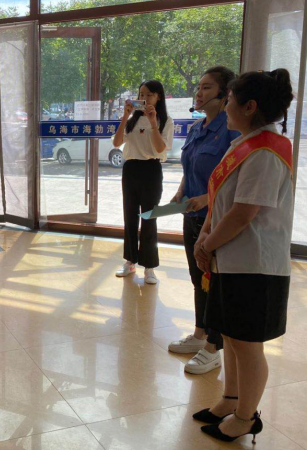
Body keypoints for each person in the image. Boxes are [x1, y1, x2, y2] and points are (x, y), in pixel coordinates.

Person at [193, 69, 294, 443]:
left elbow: (243, 212)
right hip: (232, 260)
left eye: (230, 100)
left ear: (249, 107)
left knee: (248, 346)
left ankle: (246, 417)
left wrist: (207, 244)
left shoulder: (266, 151)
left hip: (256, 266)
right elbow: (221, 200)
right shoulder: (245, 144)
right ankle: (230, 400)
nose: (226, 107)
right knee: (232, 337)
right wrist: (205, 236)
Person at [168, 66, 240, 375]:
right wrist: (180, 193)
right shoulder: (198, 127)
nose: (199, 93)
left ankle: (213, 346)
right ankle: (199, 333)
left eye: (207, 87)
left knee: (215, 283)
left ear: (225, 94)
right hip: (192, 216)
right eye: (199, 86)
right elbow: (190, 167)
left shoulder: (232, 130)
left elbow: (234, 178)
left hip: (216, 219)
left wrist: (207, 200)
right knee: (198, 278)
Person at [112, 80, 174, 285]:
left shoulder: (166, 120)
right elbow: (117, 143)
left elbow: (160, 148)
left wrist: (154, 123)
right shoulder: (132, 120)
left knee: (149, 217)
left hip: (151, 170)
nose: (144, 98)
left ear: (158, 97)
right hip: (130, 169)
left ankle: (149, 266)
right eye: (141, 94)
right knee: (130, 216)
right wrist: (125, 116)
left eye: (149, 95)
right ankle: (130, 261)